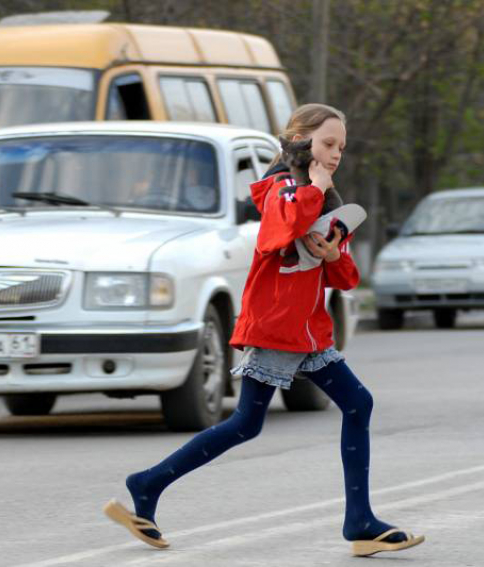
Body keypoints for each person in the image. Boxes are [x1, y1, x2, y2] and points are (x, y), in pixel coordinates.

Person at [103, 103, 425, 558]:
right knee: (247, 423)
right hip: (275, 328)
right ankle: (147, 484)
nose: (336, 154)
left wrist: (334, 255)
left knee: (355, 404)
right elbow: (278, 232)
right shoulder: (282, 189)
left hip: (308, 333)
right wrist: (315, 188)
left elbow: (346, 279)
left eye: (342, 147)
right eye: (328, 144)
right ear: (299, 140)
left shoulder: (326, 202)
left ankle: (359, 521)